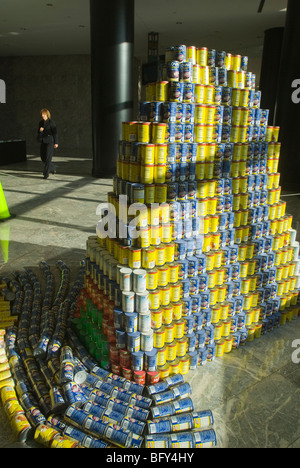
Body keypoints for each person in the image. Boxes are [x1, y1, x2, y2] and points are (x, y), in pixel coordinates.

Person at [37, 108, 58, 179]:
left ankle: (46, 174)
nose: (42, 115)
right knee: (43, 158)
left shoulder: (51, 122)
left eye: (43, 114)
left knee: (48, 158)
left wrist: (56, 142)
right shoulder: (40, 122)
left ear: (47, 114)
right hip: (43, 141)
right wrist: (40, 131)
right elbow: (38, 132)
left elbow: (55, 133)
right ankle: (53, 167)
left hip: (50, 141)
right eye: (42, 114)